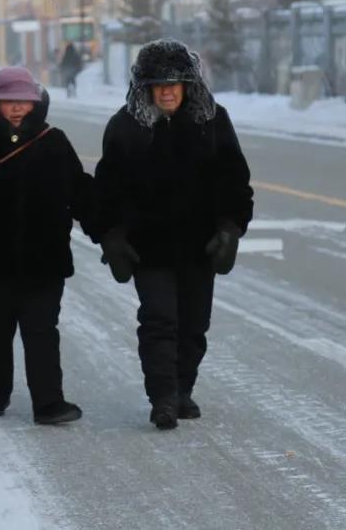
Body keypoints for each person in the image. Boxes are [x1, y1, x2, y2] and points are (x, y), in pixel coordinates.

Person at [94, 39, 253, 430]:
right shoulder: (125, 127)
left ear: (188, 86)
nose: (166, 91)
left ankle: (183, 389)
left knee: (194, 324)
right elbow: (106, 190)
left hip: (199, 246)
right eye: (157, 84)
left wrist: (230, 229)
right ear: (144, 87)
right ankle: (162, 397)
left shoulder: (212, 123)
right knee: (159, 320)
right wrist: (110, 236)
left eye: (174, 83)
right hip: (148, 247)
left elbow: (235, 183)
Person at [0, 67, 91, 425]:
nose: (16, 109)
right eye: (8, 102)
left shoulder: (54, 141)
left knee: (42, 331)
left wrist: (109, 228)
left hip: (45, 259)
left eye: (23, 102)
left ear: (35, 103)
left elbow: (80, 191)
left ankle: (48, 403)